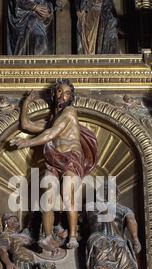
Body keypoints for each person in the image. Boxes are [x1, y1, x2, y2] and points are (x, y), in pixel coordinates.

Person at [10, 79, 98, 252]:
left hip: (71, 158)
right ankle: (47, 236)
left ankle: (73, 236)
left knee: (66, 195)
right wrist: (26, 103)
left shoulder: (70, 112)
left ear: (71, 97)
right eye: (59, 92)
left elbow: (51, 134)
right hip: (53, 160)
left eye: (66, 93)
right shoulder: (53, 119)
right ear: (54, 95)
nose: (62, 96)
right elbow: (26, 125)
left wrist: (27, 143)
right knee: (47, 195)